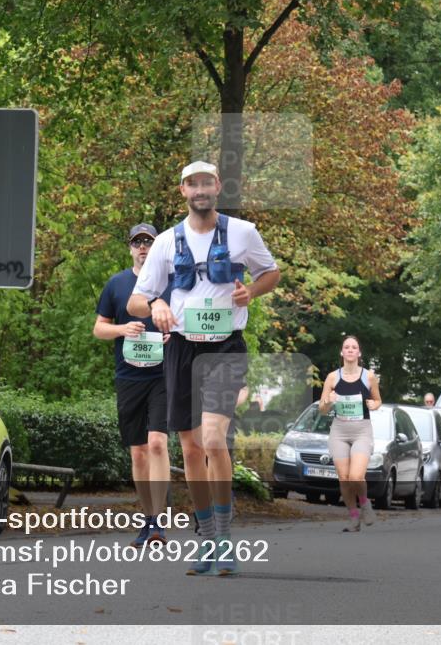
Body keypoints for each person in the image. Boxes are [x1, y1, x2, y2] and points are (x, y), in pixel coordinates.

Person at [127, 161, 280, 576]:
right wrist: (157, 303)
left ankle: (226, 540)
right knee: (191, 448)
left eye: (206, 182)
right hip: (181, 350)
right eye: (192, 184)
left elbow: (271, 272)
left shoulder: (242, 232)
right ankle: (208, 538)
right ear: (183, 191)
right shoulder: (164, 242)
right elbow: (135, 302)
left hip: (226, 348)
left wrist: (253, 290)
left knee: (214, 440)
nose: (200, 190)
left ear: (218, 187)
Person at [94, 223, 171, 547]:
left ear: (156, 249)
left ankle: (159, 521)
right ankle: (148, 515)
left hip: (163, 375)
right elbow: (99, 329)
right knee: (138, 453)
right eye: (137, 243)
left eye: (148, 242)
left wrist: (173, 335)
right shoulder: (117, 284)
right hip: (128, 376)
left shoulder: (171, 283)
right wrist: (122, 330)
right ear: (130, 248)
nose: (143, 247)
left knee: (156, 444)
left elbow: (185, 321)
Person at [318, 336, 382, 532]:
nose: (351, 350)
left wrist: (374, 404)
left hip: (361, 430)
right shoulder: (332, 377)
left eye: (354, 347)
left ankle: (365, 504)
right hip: (339, 430)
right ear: (342, 352)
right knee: (344, 477)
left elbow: (378, 400)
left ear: (359, 353)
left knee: (356, 475)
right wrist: (329, 401)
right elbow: (322, 409)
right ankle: (353, 518)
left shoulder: (368, 376)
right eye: (347, 347)